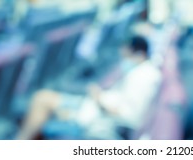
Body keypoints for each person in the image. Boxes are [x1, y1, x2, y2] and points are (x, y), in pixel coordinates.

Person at [16, 35, 162, 140]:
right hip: (94, 109)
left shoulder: (143, 78)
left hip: (98, 119)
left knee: (41, 99)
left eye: (126, 56)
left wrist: (99, 98)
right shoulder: (142, 72)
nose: (124, 60)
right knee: (41, 101)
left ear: (139, 54)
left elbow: (129, 115)